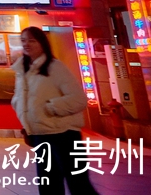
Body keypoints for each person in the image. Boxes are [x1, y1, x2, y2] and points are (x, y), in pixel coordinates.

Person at [11, 27, 99, 195]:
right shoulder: (22, 70)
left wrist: (50, 108)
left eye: (31, 40)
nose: (26, 44)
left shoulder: (55, 67)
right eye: (23, 40)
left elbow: (79, 99)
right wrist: (27, 125)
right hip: (40, 135)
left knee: (78, 184)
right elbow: (22, 100)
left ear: (42, 43)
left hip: (64, 134)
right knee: (48, 185)